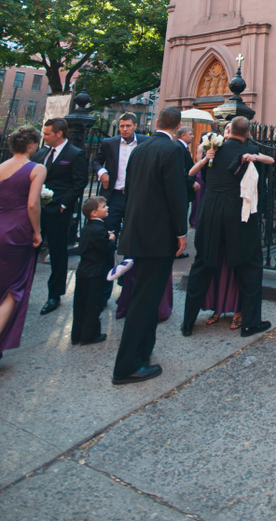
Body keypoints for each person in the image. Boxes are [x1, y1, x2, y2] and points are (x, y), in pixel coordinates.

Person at [111, 106, 188, 385]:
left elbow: (129, 189)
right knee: (145, 302)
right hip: (158, 238)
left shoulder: (139, 149)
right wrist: (181, 232)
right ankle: (126, 366)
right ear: (179, 126)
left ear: (156, 122)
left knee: (145, 296)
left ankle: (142, 354)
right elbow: (176, 195)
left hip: (137, 232)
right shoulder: (173, 150)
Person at [182, 115, 274, 338]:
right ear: (248, 133)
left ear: (228, 130)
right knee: (249, 265)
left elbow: (199, 175)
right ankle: (250, 323)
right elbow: (265, 172)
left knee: (203, 263)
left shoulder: (213, 149)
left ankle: (187, 322)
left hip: (211, 212)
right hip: (237, 214)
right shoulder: (250, 151)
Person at [34, 118, 88, 315]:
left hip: (58, 211)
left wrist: (64, 204)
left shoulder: (75, 154)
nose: (44, 136)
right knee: (31, 250)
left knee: (58, 253)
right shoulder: (40, 154)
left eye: (47, 133)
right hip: (36, 211)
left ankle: (54, 295)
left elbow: (79, 182)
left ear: (59, 134)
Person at [93, 111, 148, 303]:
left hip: (135, 196)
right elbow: (96, 160)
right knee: (109, 239)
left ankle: (127, 285)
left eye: (127, 126)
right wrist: (102, 172)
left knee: (133, 238)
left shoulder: (144, 142)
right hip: (115, 196)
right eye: (121, 126)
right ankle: (104, 290)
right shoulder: (110, 143)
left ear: (135, 126)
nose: (124, 129)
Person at [0, 126, 45, 357]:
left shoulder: (0, 167)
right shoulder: (37, 168)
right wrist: (37, 232)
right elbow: (32, 204)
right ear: (31, 145)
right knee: (14, 287)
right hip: (17, 231)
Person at [71, 196, 115, 345]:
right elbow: (106, 248)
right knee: (93, 304)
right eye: (103, 207)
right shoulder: (99, 229)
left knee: (80, 303)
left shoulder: (87, 228)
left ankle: (77, 334)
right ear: (94, 213)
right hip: (95, 271)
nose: (107, 208)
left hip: (83, 270)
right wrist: (112, 239)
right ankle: (90, 335)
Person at [175, 125, 195, 257]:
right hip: (183, 189)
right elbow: (181, 171)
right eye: (190, 134)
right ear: (182, 136)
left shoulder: (183, 148)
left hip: (185, 189)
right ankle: (177, 249)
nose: (192, 136)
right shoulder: (179, 148)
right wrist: (192, 182)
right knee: (180, 217)